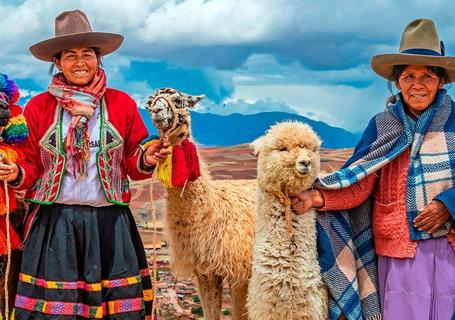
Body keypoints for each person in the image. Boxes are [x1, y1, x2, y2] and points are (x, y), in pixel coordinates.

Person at [1, 9, 169, 319]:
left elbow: (134, 159)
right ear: (57, 62)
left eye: (87, 54)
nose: (80, 62)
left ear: (98, 58)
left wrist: (146, 157)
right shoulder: (38, 107)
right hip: (54, 225)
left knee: (115, 312)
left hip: (110, 226)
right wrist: (15, 171)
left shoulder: (121, 104)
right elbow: (29, 163)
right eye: (70, 55)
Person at [292, 18, 455, 319]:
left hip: (446, 247)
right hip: (394, 253)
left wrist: (449, 204)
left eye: (427, 76)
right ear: (396, 81)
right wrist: (318, 198)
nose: (417, 84)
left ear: (441, 81)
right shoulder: (381, 126)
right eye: (408, 76)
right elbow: (360, 179)